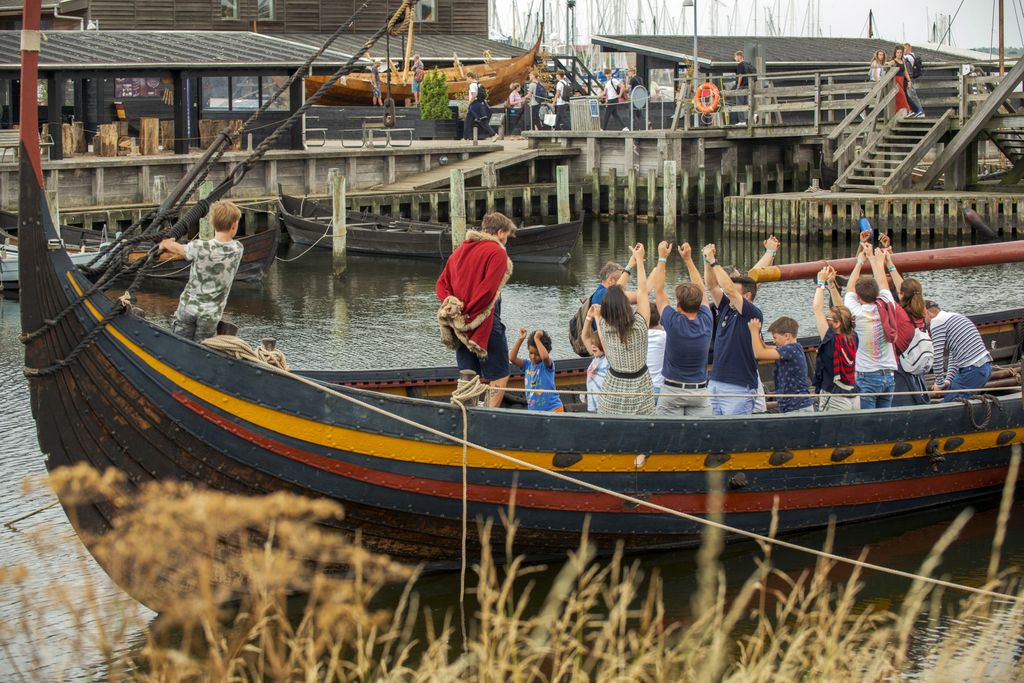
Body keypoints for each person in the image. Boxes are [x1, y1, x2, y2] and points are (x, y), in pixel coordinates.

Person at [436, 212, 517, 408]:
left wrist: (457, 312)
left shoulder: (459, 252)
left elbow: (441, 285)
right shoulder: (497, 252)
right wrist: (471, 315)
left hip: (459, 325)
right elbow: (487, 291)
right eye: (506, 235)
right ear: (499, 233)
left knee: (467, 374)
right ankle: (488, 417)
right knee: (500, 373)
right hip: (484, 322)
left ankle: (465, 416)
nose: (506, 240)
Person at [585, 242, 655, 415]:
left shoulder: (604, 325)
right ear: (626, 305)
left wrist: (630, 264)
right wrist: (638, 261)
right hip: (640, 391)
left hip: (612, 392)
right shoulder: (640, 324)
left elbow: (614, 293)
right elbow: (642, 291)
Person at [159, 200, 244, 343]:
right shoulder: (238, 249)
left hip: (188, 308)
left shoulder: (199, 247)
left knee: (179, 343)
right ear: (234, 225)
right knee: (203, 347)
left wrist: (166, 243)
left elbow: (180, 249)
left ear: (211, 223)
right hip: (211, 315)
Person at [652, 241, 713, 417]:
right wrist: (688, 259)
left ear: (678, 305)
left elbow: (659, 291)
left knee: (668, 440)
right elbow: (701, 289)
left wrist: (662, 257)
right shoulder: (706, 319)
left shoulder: (672, 322)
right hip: (700, 392)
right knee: (700, 440)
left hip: (672, 391)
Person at [704, 243, 764, 415]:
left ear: (747, 296)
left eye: (734, 292)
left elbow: (729, 290)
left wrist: (715, 262)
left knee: (734, 435)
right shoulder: (726, 307)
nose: (727, 292)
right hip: (715, 382)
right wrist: (707, 261)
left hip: (738, 387)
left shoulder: (752, 313)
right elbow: (712, 286)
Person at [844, 242, 898, 409]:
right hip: (888, 375)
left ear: (859, 297)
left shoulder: (858, 314)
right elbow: (883, 283)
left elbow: (849, 289)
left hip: (867, 375)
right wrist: (876, 261)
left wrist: (860, 261)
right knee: (883, 421)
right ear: (876, 294)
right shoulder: (888, 305)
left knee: (868, 421)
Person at [882, 245, 930, 406]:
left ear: (901, 295)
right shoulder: (922, 311)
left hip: (901, 374)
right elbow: (902, 287)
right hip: (914, 369)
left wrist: (876, 263)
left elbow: (884, 291)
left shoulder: (901, 315)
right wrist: (890, 264)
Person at [811, 265, 859, 412]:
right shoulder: (853, 336)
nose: (826, 320)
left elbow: (817, 309)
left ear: (836, 324)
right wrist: (832, 284)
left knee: (832, 433)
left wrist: (821, 283)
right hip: (853, 394)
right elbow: (843, 311)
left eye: (829, 318)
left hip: (835, 396)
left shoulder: (831, 339)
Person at [925, 301, 993, 402]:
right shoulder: (954, 316)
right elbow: (954, 354)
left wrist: (939, 384)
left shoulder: (936, 322)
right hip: (985, 367)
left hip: (972, 369)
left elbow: (937, 357)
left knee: (950, 402)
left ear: (926, 312)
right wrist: (948, 379)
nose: (921, 320)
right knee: (958, 396)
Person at [749, 316, 814, 413]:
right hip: (792, 406)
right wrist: (757, 333)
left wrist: (753, 331)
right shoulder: (795, 348)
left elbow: (759, 353)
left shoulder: (791, 349)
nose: (774, 341)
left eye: (775, 337)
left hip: (798, 407)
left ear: (787, 336)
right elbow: (765, 347)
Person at [509, 328, 564, 412]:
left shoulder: (546, 365)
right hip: (534, 410)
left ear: (547, 351)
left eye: (537, 354)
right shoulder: (527, 365)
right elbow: (512, 358)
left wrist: (537, 339)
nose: (533, 357)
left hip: (553, 409)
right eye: (531, 353)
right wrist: (520, 339)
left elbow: (545, 357)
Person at [463, 75, 496, 141]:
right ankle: (465, 138)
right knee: (468, 121)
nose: (466, 80)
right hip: (476, 103)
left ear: (470, 77)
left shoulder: (472, 85)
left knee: (482, 121)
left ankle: (494, 134)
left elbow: (474, 95)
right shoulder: (478, 84)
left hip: (474, 104)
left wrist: (468, 103)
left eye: (467, 78)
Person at [583, 335, 609, 412]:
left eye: (597, 344)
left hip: (603, 404)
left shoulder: (607, 360)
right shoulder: (595, 359)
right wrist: (588, 322)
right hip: (593, 403)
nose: (593, 346)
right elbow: (585, 337)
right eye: (592, 343)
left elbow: (602, 338)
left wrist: (598, 323)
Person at [647, 305, 666, 395]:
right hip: (658, 386)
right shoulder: (664, 336)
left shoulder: (637, 336)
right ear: (659, 320)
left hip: (640, 387)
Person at [887, 46, 912, 116]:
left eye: (900, 52)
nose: (899, 54)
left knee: (899, 97)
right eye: (898, 52)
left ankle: (899, 112)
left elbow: (906, 72)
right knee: (902, 95)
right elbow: (887, 65)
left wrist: (909, 81)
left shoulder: (903, 61)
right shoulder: (893, 61)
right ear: (895, 53)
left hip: (902, 80)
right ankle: (908, 110)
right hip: (896, 80)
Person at [902, 43, 926, 117]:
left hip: (910, 78)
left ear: (909, 49)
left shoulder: (909, 57)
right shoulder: (911, 56)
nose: (903, 50)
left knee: (912, 95)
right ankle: (915, 111)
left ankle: (920, 111)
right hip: (909, 78)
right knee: (910, 95)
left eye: (905, 49)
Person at [733, 50, 755, 125]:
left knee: (739, 104)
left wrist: (738, 86)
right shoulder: (748, 64)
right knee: (747, 102)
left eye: (735, 56)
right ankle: (754, 115)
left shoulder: (740, 65)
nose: (735, 58)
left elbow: (740, 76)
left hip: (742, 86)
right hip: (748, 86)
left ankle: (742, 121)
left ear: (739, 56)